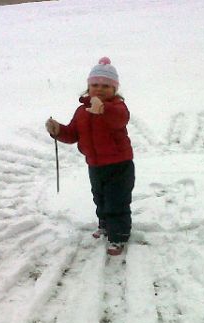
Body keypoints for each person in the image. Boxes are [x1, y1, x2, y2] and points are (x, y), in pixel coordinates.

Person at [46, 57, 135, 256]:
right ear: (88, 86)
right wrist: (58, 130)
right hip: (95, 165)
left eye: (106, 85)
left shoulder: (118, 107)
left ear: (114, 89)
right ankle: (105, 225)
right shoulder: (81, 111)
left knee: (117, 201)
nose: (100, 89)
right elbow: (72, 134)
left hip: (119, 165)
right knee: (100, 199)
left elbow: (119, 119)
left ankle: (118, 236)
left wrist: (103, 109)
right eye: (95, 84)